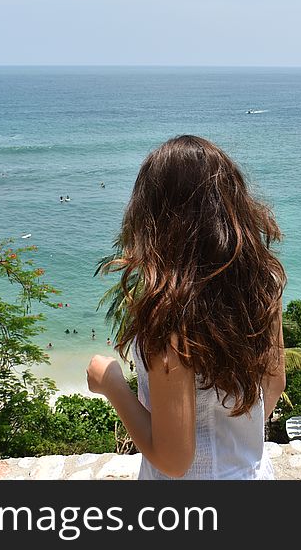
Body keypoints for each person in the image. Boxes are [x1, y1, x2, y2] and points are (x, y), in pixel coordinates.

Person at [86, 135, 287, 479]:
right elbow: (274, 385)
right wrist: (229, 438)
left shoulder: (169, 313)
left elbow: (174, 460)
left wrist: (111, 384)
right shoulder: (260, 283)